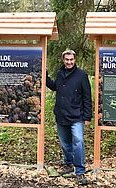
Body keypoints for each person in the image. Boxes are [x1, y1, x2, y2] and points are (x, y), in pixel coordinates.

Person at [46, 49, 92, 185]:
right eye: (67, 60)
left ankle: (80, 171)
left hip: (76, 115)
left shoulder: (82, 75)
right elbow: (55, 87)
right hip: (61, 114)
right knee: (65, 142)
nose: (69, 62)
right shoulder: (60, 73)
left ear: (74, 60)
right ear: (63, 60)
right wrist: (46, 76)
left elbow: (87, 97)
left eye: (71, 59)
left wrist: (87, 116)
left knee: (78, 141)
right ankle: (68, 163)